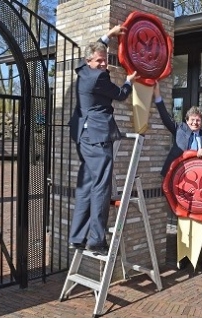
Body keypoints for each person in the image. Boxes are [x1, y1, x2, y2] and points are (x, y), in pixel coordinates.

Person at [68, 25, 138, 256]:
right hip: (98, 136)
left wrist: (108, 36)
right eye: (99, 60)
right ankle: (96, 240)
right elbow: (120, 95)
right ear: (89, 61)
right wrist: (129, 81)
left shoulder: (82, 70)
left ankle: (77, 237)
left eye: (104, 60)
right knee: (101, 188)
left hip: (84, 135)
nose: (104, 64)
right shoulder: (98, 77)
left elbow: (95, 49)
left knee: (87, 185)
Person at [153, 81, 202, 270]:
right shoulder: (179, 130)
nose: (195, 122)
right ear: (186, 120)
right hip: (181, 184)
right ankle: (183, 257)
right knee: (183, 220)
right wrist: (158, 95)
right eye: (192, 119)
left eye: (198, 120)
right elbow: (164, 116)